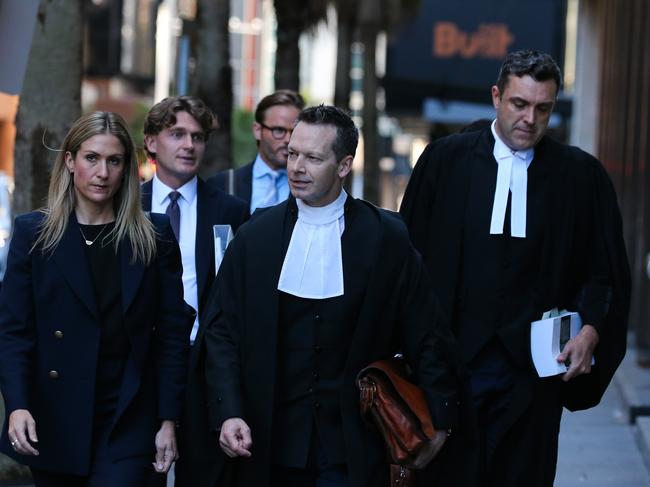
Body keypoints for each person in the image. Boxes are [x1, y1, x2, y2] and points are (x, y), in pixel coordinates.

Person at [399, 49, 631, 486]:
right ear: (496, 97)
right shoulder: (445, 162)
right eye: (519, 104)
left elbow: (606, 271)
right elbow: (407, 263)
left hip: (533, 376)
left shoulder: (581, 177)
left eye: (542, 108)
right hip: (451, 367)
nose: (529, 118)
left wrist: (591, 330)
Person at [203, 105, 462, 487]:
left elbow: (426, 332)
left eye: (313, 157)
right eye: (292, 153)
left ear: (343, 166)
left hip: (354, 446)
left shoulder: (385, 238)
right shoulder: (256, 236)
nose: (296, 167)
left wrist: (440, 419)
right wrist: (229, 411)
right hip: (268, 443)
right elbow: (222, 330)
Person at [0, 111, 191, 486]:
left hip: (128, 414)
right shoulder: (33, 235)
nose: (102, 172)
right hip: (55, 415)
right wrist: (17, 405)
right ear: (70, 161)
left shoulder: (153, 236)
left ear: (126, 168)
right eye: (92, 158)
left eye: (114, 160)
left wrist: (168, 420)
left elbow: (171, 334)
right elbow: (14, 332)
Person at [141, 95, 249, 487]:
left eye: (198, 137)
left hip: (206, 363)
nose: (189, 145)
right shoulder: (126, 206)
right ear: (152, 141)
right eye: (177, 134)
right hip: (145, 362)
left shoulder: (230, 211)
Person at [209, 89, 305, 213]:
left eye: (294, 131)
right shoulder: (224, 184)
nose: (288, 139)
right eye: (279, 130)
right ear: (257, 130)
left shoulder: (309, 188)